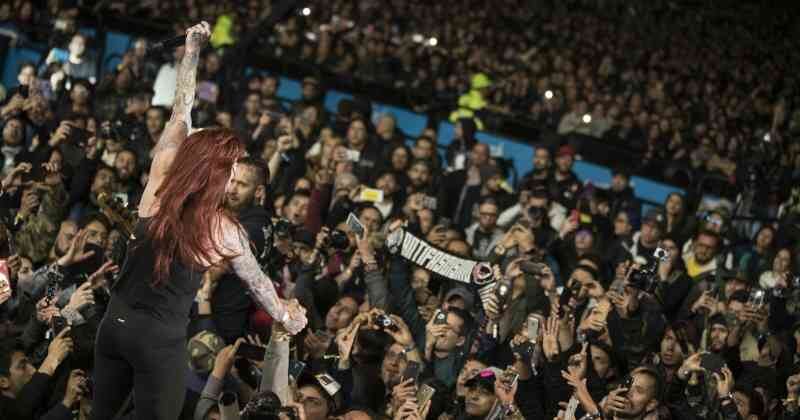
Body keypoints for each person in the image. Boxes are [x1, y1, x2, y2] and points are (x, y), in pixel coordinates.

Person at [90, 22, 307, 420]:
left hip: (114, 327)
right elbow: (258, 282)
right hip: (159, 341)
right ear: (222, 173)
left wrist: (191, 50)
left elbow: (181, 107)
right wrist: (287, 316)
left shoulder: (162, 176)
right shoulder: (223, 228)